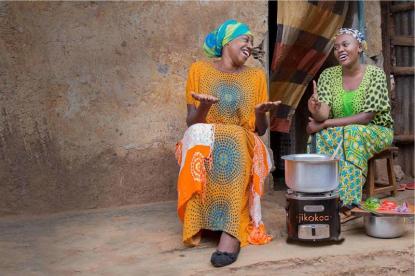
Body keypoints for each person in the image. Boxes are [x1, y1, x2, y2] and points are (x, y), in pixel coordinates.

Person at [175, 19, 280, 267]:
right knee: (214, 137)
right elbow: (192, 123)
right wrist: (205, 106)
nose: (249, 45)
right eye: (245, 39)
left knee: (232, 136)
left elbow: (261, 130)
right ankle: (207, 220)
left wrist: (259, 113)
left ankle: (231, 230)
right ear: (227, 42)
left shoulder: (256, 77)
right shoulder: (199, 71)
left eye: (252, 42)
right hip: (204, 134)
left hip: (240, 136)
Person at [306, 28, 394, 222]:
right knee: (317, 136)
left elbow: (366, 117)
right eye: (336, 47)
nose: (340, 50)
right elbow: (323, 115)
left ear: (360, 47)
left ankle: (347, 203)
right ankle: (321, 195)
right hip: (342, 130)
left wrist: (325, 123)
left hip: (376, 130)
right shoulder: (328, 76)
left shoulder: (375, 75)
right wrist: (316, 108)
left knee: (352, 133)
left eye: (345, 45)